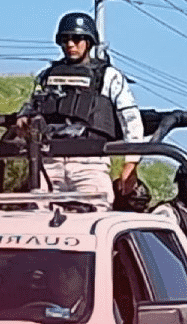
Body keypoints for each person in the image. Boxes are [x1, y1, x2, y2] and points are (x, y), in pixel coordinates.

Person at [17, 11, 145, 212]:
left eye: (77, 39)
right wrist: (24, 119)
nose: (70, 45)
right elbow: (32, 107)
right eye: (64, 40)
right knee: (37, 217)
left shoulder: (108, 76)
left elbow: (130, 119)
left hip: (90, 162)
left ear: (89, 41)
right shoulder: (47, 76)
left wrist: (131, 164)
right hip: (49, 161)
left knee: (94, 219)